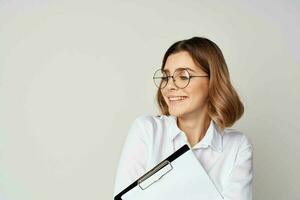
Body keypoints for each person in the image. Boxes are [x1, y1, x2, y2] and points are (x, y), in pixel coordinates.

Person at [113, 36, 253, 199]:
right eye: (166, 77)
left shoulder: (237, 147)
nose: (169, 86)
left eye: (184, 76)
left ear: (212, 81)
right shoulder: (147, 131)